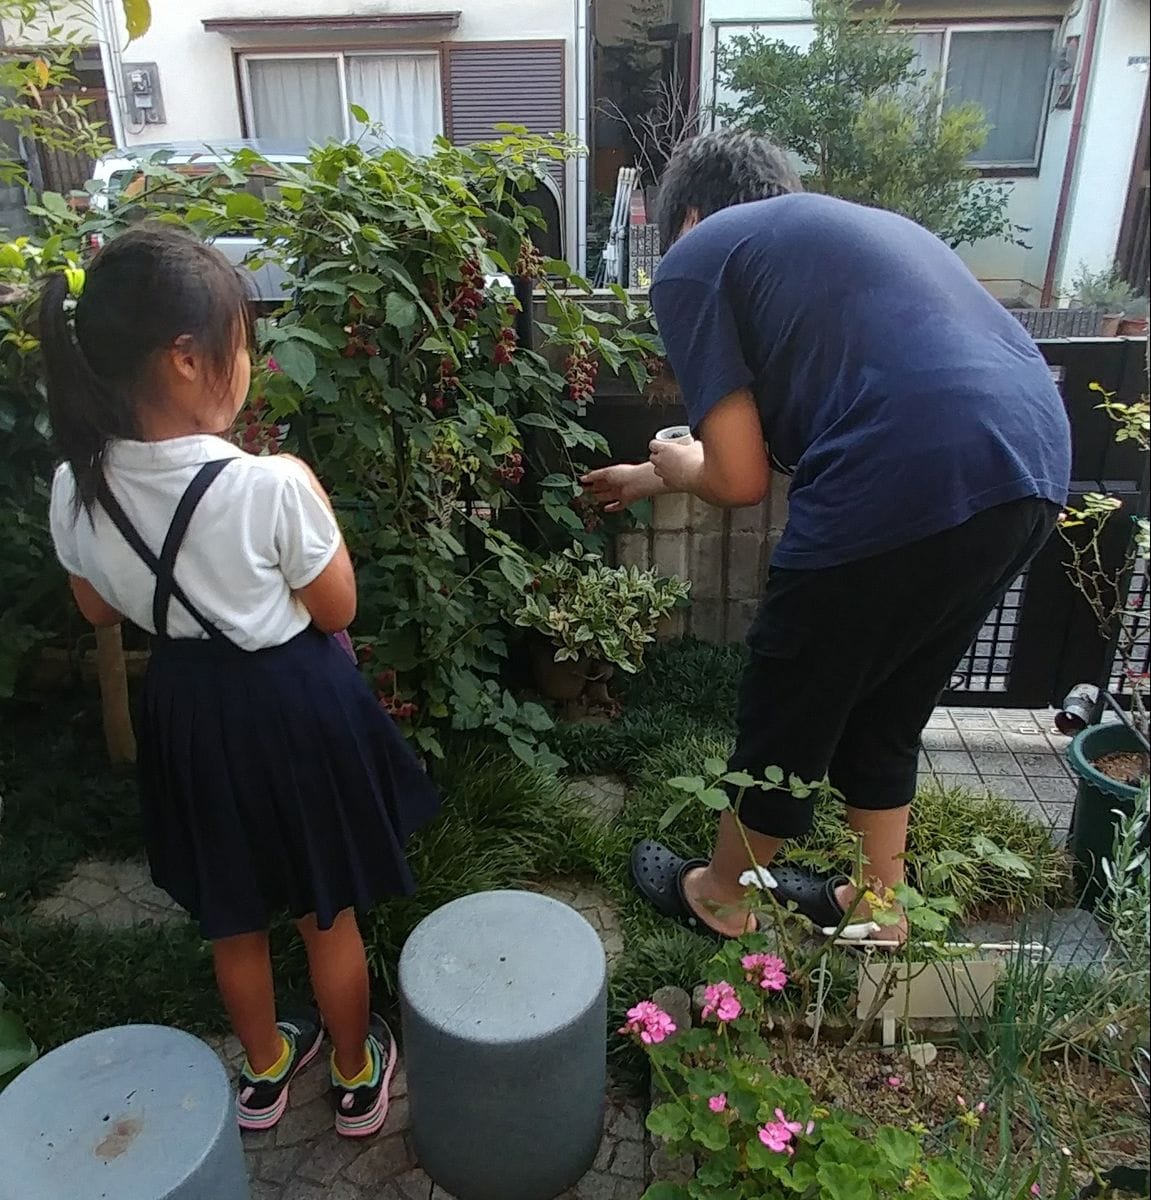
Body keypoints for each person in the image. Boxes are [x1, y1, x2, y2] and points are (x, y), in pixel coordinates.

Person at [583, 131, 1071, 943]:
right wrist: (648, 474)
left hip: (903, 470)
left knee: (790, 693)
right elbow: (766, 445)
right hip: (1029, 467)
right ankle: (878, 910)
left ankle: (722, 896)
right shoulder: (854, 235)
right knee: (886, 704)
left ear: (691, 217)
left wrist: (677, 465)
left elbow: (736, 480)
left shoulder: (698, 254)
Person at [42, 224, 439, 1135]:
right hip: (292, 710)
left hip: (185, 708)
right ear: (186, 359)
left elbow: (98, 612)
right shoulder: (269, 484)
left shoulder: (75, 487)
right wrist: (313, 492)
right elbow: (335, 610)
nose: (247, 360)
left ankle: (263, 1071)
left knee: (233, 916)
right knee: (322, 912)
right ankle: (352, 1069)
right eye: (240, 341)